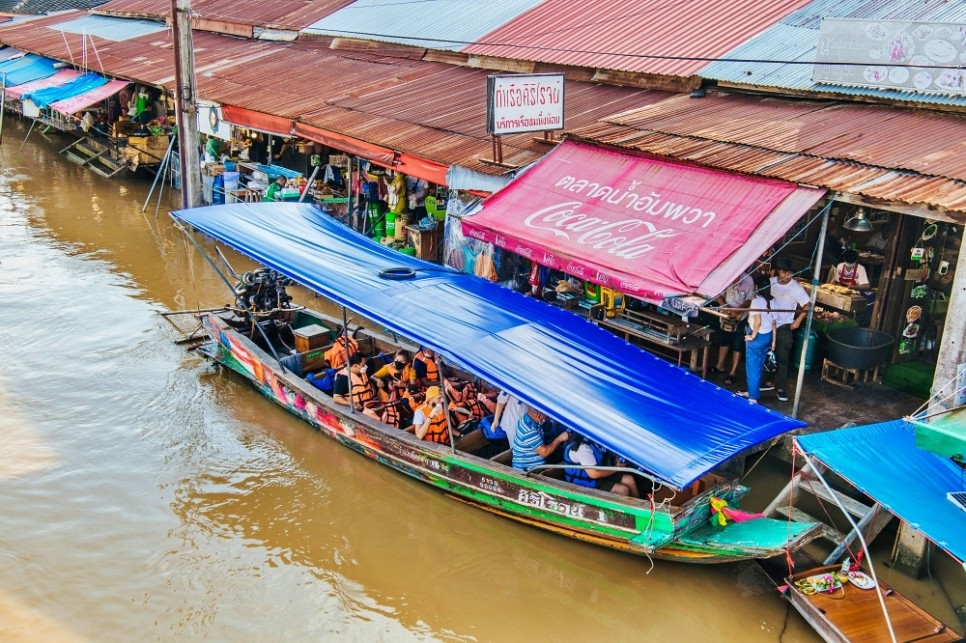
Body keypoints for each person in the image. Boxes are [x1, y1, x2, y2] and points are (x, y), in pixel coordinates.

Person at [770, 259, 810, 403]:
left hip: (785, 327)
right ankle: (767, 383)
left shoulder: (797, 288)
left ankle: (780, 388)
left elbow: (807, 305)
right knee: (766, 356)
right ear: (778, 271)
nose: (786, 275)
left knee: (782, 358)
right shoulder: (770, 282)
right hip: (768, 325)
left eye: (789, 273)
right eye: (783, 272)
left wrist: (797, 321)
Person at [710, 271, 754, 386]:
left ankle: (733, 372)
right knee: (723, 340)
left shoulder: (748, 280)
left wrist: (739, 310)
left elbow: (750, 299)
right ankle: (719, 366)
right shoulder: (726, 275)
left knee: (737, 344)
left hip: (741, 317)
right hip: (726, 314)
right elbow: (718, 294)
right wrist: (726, 308)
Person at [563, 434, 640, 497]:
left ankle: (640, 510)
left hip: (594, 476)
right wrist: (617, 468)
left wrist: (616, 458)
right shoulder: (582, 448)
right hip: (585, 482)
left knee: (629, 479)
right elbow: (594, 474)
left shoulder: (592, 442)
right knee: (623, 490)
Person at [740, 274, 776, 405]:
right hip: (768, 336)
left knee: (752, 367)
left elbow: (757, 322)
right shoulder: (773, 301)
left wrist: (752, 336)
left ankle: (753, 397)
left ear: (756, 287)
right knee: (760, 365)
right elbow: (774, 323)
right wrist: (773, 341)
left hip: (757, 337)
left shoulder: (756, 301)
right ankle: (753, 391)